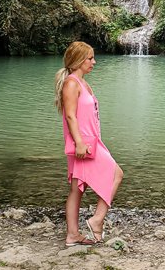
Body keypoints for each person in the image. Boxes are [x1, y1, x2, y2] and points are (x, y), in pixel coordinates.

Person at [54, 41, 124, 247]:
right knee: (116, 174)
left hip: (92, 141)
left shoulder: (83, 83)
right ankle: (97, 219)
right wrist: (79, 143)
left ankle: (72, 235)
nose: (94, 61)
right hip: (83, 144)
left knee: (77, 189)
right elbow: (69, 116)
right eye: (90, 58)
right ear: (77, 60)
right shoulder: (71, 83)